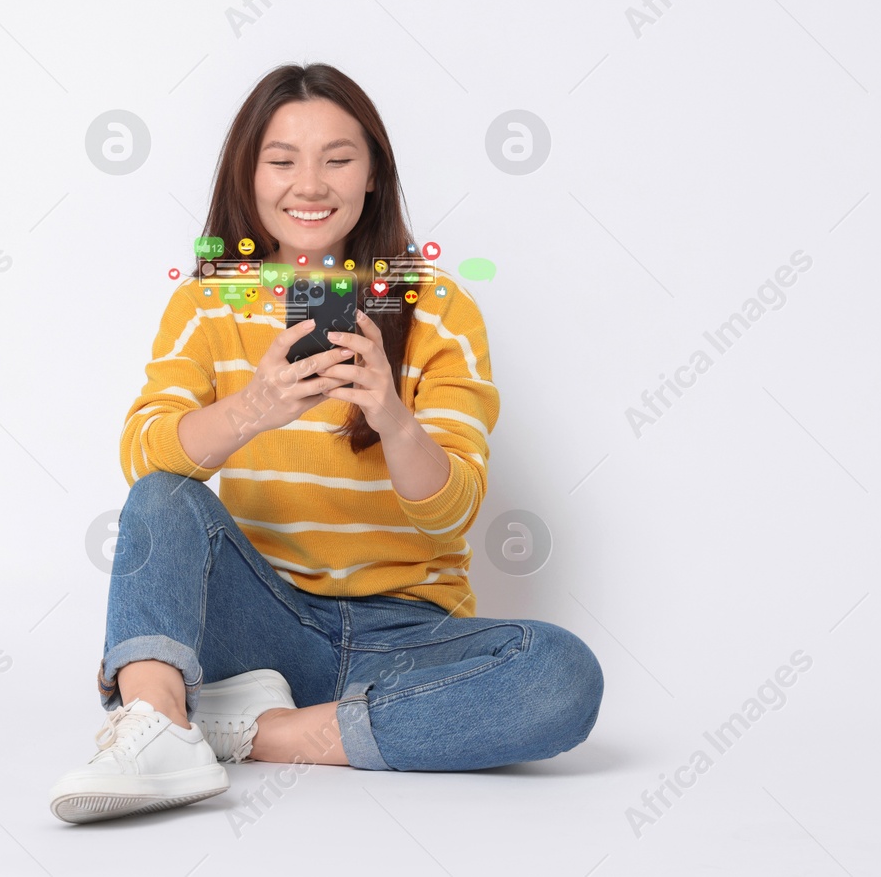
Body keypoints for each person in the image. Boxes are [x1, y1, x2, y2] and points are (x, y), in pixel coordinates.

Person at [49, 63, 604, 824]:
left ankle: (259, 730)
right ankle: (157, 726)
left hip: (406, 631)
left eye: (338, 158)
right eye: (282, 160)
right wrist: (253, 408)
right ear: (249, 173)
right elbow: (146, 456)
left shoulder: (437, 306)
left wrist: (391, 414)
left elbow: (452, 514)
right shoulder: (210, 301)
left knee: (561, 675)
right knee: (162, 497)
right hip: (263, 625)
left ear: (373, 172)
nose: (309, 184)